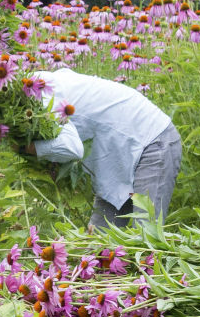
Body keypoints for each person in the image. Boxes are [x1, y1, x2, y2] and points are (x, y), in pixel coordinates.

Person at [30, 69, 183, 229]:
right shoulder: (42, 84)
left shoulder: (41, 91)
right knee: (99, 246)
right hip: (118, 160)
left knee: (147, 235)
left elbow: (72, 148)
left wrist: (30, 148)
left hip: (151, 141)